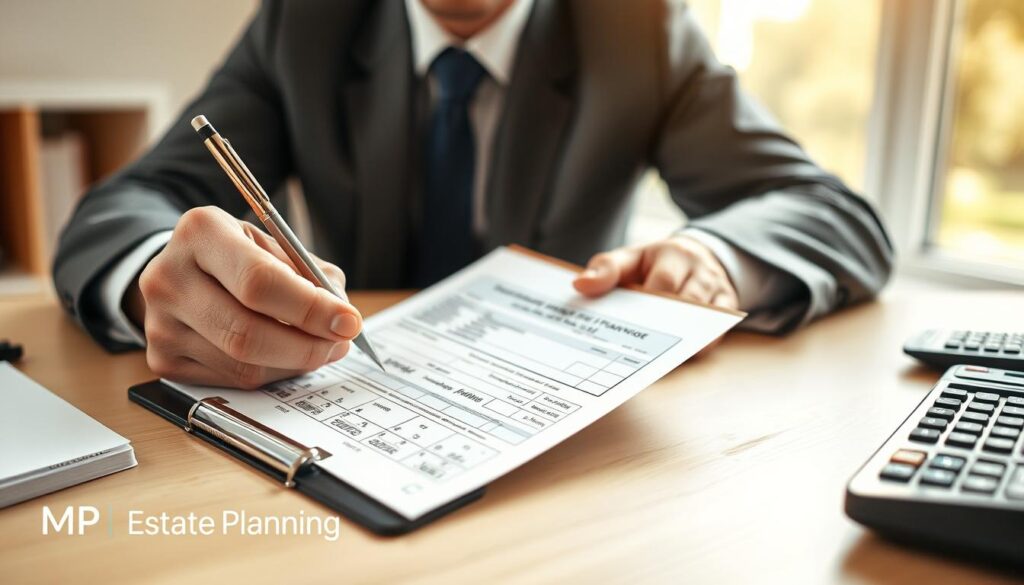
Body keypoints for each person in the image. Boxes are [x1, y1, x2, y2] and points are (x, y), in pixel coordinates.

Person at [54, 0, 893, 389]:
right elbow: (124, 209)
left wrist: (713, 254)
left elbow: (831, 213)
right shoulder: (306, 22)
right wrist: (153, 277)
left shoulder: (637, 27)